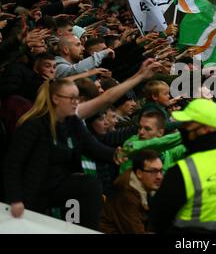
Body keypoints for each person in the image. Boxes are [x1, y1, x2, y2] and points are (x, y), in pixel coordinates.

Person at [3, 79, 126, 230]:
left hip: (57, 186)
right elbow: (12, 164)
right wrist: (15, 199)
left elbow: (92, 147)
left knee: (89, 185)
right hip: (32, 191)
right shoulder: (33, 125)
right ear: (56, 99)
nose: (76, 102)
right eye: (72, 98)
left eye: (77, 98)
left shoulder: (71, 122)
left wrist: (116, 154)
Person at [148, 99, 216, 233]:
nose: (182, 128)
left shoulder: (184, 170)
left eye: (187, 124)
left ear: (204, 129)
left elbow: (159, 220)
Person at [99, 149, 164, 234]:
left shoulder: (150, 189)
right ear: (139, 173)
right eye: (153, 171)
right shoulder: (126, 195)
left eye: (160, 171)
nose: (159, 176)